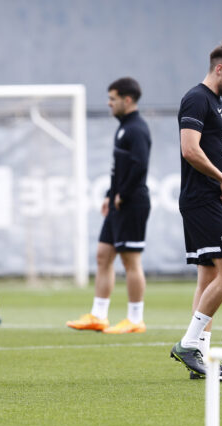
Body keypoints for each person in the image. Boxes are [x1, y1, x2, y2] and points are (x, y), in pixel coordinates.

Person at [169, 41, 222, 378]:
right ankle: (189, 344)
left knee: (208, 278)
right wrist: (221, 179)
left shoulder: (219, 104)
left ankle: (199, 357)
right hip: (201, 200)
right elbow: (190, 150)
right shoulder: (196, 98)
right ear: (220, 69)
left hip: (210, 198)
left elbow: (212, 153)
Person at [67, 77, 152, 334]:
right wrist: (109, 194)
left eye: (112, 99)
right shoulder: (124, 127)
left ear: (127, 100)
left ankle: (135, 319)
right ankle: (98, 315)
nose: (109, 103)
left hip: (132, 202)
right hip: (118, 202)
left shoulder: (137, 128)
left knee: (130, 261)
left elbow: (139, 166)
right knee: (103, 256)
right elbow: (121, 168)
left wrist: (122, 195)